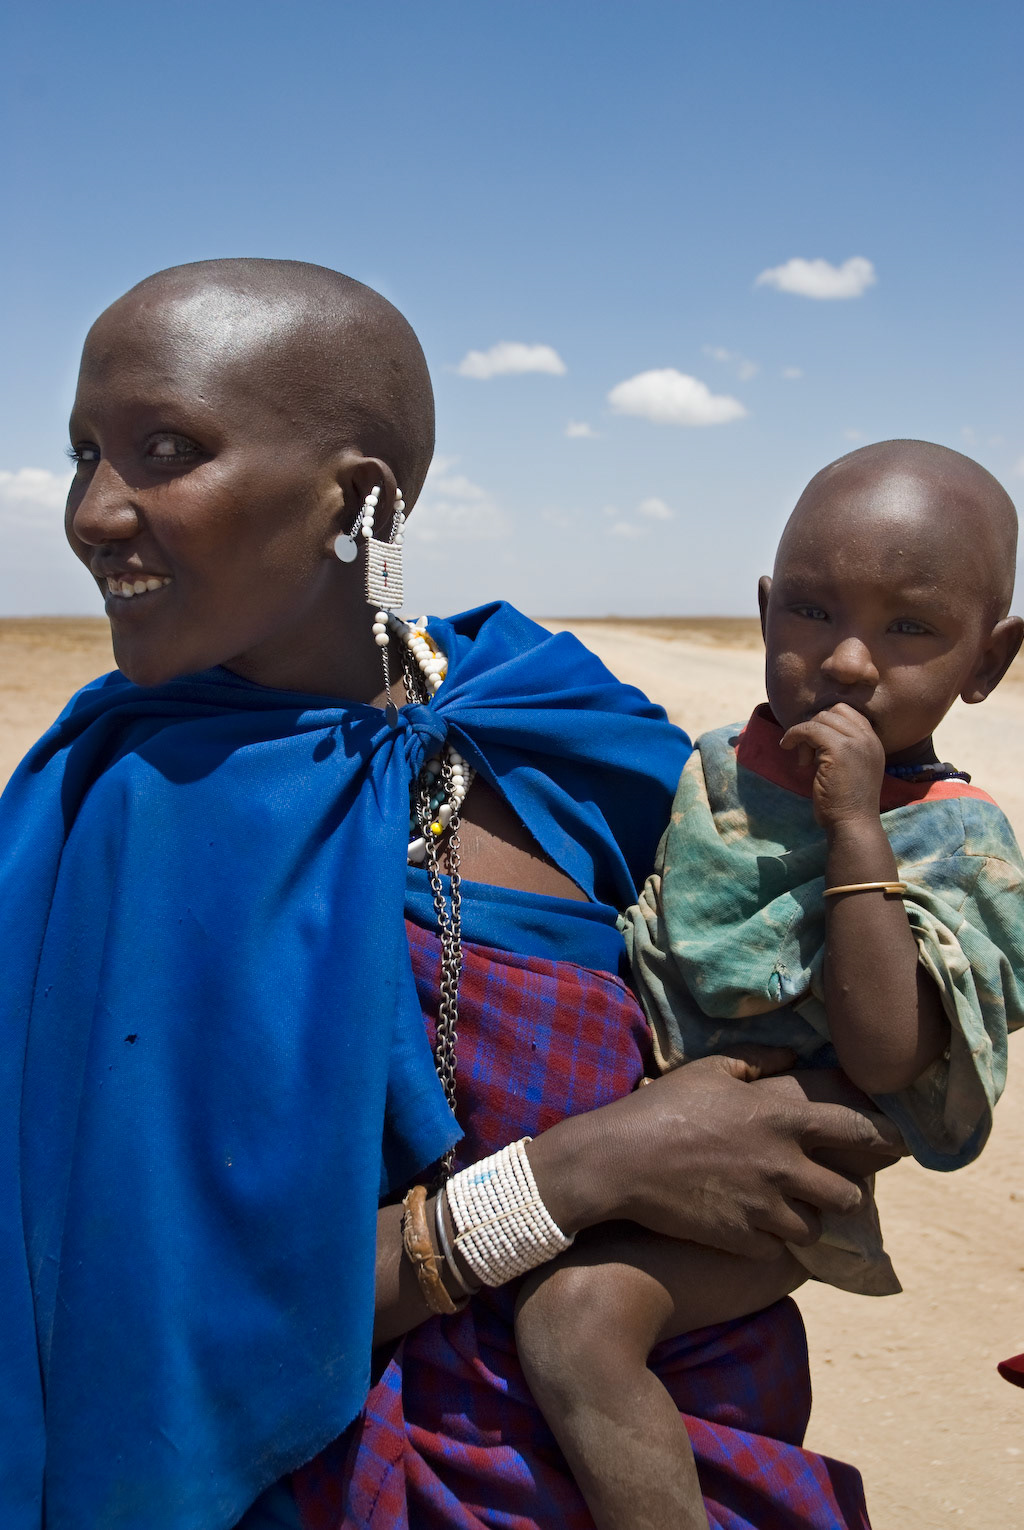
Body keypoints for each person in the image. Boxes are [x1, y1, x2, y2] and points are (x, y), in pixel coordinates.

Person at [0, 259, 902, 1530]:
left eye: (163, 450)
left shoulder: (561, 731)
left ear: (356, 499)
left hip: (667, 1455)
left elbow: (785, 1034)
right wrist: (577, 1174)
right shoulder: (111, 820)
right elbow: (136, 1316)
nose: (94, 510)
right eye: (81, 453)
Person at [512, 441, 1024, 1530]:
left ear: (987, 661)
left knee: (578, 1322)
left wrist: (852, 830)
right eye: (808, 611)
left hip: (777, 1173)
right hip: (640, 1119)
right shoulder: (710, 774)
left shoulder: (955, 834)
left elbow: (888, 1054)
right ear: (760, 614)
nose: (844, 661)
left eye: (908, 628)